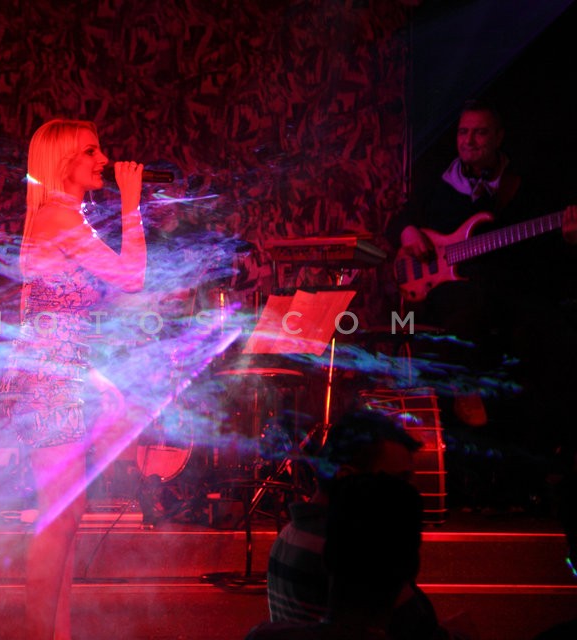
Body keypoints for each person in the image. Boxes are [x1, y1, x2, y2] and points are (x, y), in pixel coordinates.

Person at [386, 99, 577, 508]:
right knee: (462, 323)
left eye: (480, 132)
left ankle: (533, 468)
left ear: (499, 137)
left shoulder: (522, 186)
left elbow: (543, 254)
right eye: (463, 132)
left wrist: (566, 237)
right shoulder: (440, 184)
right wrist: (408, 234)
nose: (469, 140)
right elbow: (399, 221)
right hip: (449, 299)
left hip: (506, 297)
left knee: (549, 339)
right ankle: (466, 421)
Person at [0, 119, 145, 640]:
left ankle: (57, 634)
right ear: (62, 162)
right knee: (58, 514)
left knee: (70, 511)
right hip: (49, 375)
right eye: (91, 151)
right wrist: (132, 204)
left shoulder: (61, 217)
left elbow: (47, 312)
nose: (103, 159)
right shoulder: (56, 218)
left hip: (61, 368)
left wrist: (93, 376)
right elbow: (131, 277)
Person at [264, 408, 455, 640]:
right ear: (347, 477)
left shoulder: (290, 534)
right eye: (397, 481)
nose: (409, 492)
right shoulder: (352, 549)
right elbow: (418, 628)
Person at [247, 472, 427, 640]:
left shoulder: (264, 635)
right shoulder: (416, 618)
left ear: (328, 556)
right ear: (412, 566)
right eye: (402, 475)